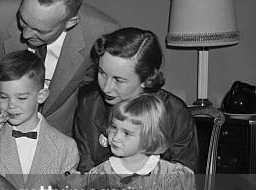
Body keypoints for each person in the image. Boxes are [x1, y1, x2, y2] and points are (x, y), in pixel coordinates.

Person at [0, 0, 119, 137]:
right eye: (22, 20)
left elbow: (90, 80)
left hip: (55, 139)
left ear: (70, 23)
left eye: (40, 31)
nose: (25, 34)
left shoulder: (101, 34)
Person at [73, 27, 198, 172]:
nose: (106, 88)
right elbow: (86, 172)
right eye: (102, 73)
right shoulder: (89, 106)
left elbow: (183, 181)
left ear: (147, 80)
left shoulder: (175, 113)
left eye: (119, 80)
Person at [0, 50, 78, 190]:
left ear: (41, 96)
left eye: (21, 98)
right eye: (4, 97)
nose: (11, 105)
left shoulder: (66, 147)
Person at [83, 95, 195, 190]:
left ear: (149, 138)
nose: (115, 137)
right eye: (114, 128)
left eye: (126, 133)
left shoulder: (173, 176)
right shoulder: (100, 175)